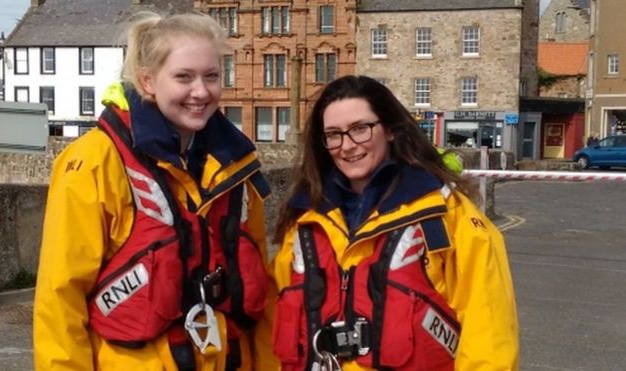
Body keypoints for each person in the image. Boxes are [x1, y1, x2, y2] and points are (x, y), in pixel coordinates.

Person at [33, 12, 273, 370]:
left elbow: (262, 294)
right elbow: (60, 298)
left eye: (212, 76)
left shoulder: (235, 166)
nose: (201, 92)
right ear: (148, 81)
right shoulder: (94, 162)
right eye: (183, 77)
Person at [270, 75, 519, 370]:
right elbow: (274, 320)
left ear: (389, 129)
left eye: (360, 129)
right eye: (334, 134)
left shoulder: (448, 215)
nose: (347, 146)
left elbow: (489, 336)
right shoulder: (304, 223)